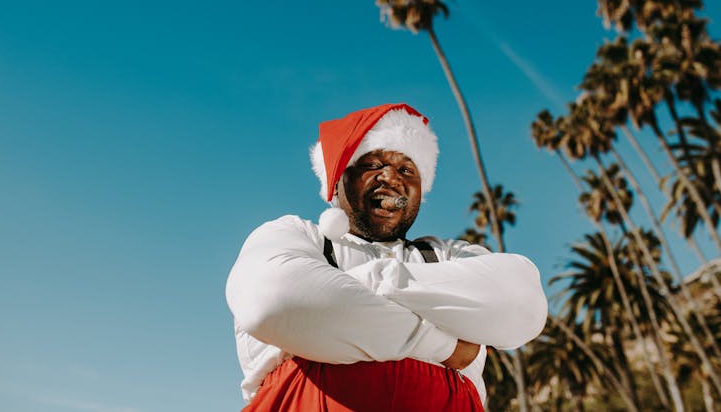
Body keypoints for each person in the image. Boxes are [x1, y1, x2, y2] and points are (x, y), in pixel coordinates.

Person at [226, 103, 548, 411]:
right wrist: (446, 347)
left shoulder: (448, 254)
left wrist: (362, 283)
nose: (392, 178)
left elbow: (522, 305)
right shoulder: (294, 235)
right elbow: (275, 302)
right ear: (338, 182)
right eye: (372, 165)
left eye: (407, 169)